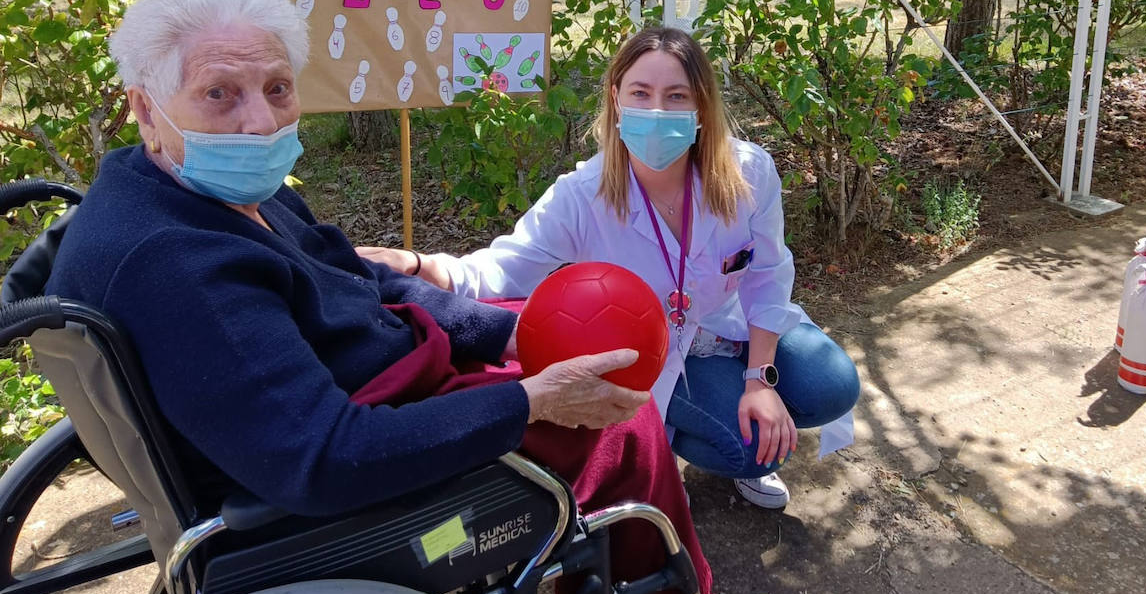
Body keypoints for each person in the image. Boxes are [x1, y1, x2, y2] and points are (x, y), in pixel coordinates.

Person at [44, 0, 783, 594]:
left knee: (550, 329)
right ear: (146, 109)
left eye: (277, 87)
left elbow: (361, 278)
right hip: (362, 458)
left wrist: (505, 330)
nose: (260, 123)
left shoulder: (207, 193)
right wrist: (530, 398)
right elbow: (327, 456)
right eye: (219, 93)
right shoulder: (178, 266)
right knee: (627, 424)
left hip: (384, 368)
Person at [364, 27, 860, 511]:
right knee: (750, 449)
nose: (657, 111)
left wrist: (760, 381)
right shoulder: (584, 195)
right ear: (616, 99)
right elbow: (500, 268)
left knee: (833, 385)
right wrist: (418, 264)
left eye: (677, 95)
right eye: (641, 93)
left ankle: (732, 402)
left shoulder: (748, 172)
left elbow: (767, 273)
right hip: (656, 353)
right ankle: (673, 444)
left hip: (730, 323)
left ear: (702, 107)